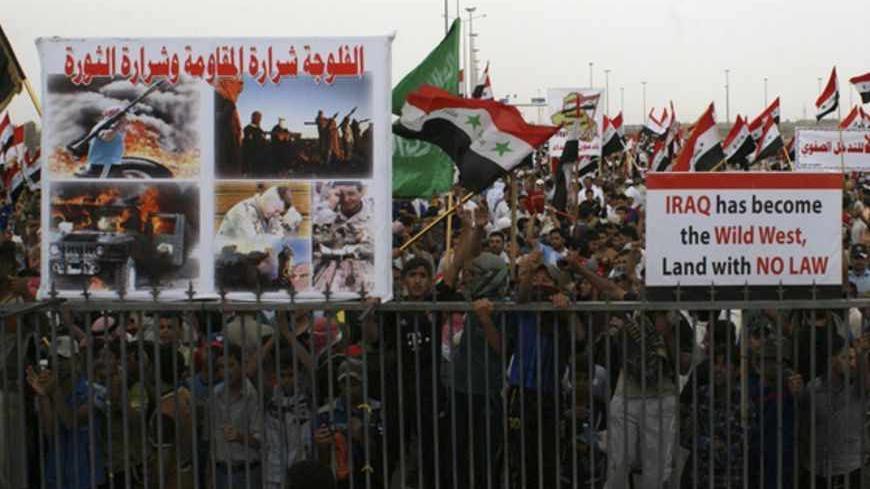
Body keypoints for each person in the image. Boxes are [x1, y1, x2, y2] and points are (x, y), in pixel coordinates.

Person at [604, 310, 695, 489]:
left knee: (656, 469)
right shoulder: (630, 310)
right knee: (619, 461)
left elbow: (684, 367)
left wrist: (668, 334)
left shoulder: (678, 320)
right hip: (626, 396)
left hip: (660, 399)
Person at [27, 337, 107, 489]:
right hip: (57, 475)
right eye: (53, 359)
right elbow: (50, 431)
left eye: (63, 359)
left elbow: (71, 421)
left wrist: (54, 391)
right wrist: (43, 395)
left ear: (76, 360)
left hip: (86, 476)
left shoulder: (96, 391)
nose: (57, 364)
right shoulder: (49, 393)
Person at [793, 334, 870, 489]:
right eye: (847, 358)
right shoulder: (813, 388)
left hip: (850, 470)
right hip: (816, 469)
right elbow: (803, 423)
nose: (852, 363)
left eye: (854, 359)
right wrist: (797, 394)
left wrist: (861, 353)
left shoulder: (858, 388)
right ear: (832, 360)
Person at [206, 344, 263, 489]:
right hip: (221, 472)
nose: (226, 371)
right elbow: (211, 439)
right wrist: (210, 474)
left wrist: (240, 437)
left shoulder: (253, 395)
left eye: (231, 365)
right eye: (221, 367)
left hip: (247, 472)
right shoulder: (215, 394)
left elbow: (261, 441)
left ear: (242, 365)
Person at [263, 348, 312, 489]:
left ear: (299, 375)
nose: (287, 380)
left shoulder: (307, 396)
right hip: (274, 469)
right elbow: (250, 371)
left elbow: (311, 366)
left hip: (300, 466)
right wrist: (272, 340)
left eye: (291, 375)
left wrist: (290, 336)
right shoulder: (269, 397)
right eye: (282, 375)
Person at [76, 107, 128, 179]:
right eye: (123, 116)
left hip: (105, 164)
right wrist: (119, 125)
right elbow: (106, 137)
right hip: (105, 165)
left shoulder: (111, 125)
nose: (125, 118)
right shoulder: (106, 125)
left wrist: (121, 125)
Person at [215, 78, 244, 177]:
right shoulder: (218, 99)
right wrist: (229, 108)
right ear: (226, 83)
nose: (237, 94)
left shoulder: (228, 102)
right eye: (236, 87)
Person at [242, 111, 268, 177]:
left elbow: (263, 140)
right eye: (257, 117)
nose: (259, 120)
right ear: (252, 118)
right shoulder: (247, 128)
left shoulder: (260, 130)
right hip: (251, 155)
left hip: (260, 156)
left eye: (260, 118)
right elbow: (249, 141)